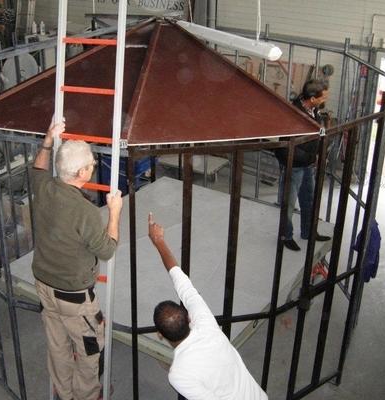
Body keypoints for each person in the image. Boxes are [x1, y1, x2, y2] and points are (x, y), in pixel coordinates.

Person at [30, 119, 123, 400]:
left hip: (44, 286)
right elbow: (107, 250)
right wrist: (115, 211)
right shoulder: (86, 212)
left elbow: (38, 168)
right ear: (82, 172)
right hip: (73, 297)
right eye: (91, 165)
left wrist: (48, 140)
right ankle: (86, 395)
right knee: (88, 348)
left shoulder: (44, 187)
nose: (93, 167)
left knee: (57, 345)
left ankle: (64, 392)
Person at [148, 213, 268, 400]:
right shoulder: (205, 324)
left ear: (160, 335)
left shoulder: (179, 374)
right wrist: (159, 240)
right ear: (188, 319)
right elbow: (182, 281)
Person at [274, 79, 331, 251]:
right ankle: (286, 236)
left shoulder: (314, 110)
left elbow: (317, 134)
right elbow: (284, 145)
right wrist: (308, 157)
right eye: (323, 96)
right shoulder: (292, 113)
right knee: (288, 204)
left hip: (308, 165)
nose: (325, 99)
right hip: (294, 165)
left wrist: (319, 154)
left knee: (309, 200)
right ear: (313, 98)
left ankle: (308, 232)